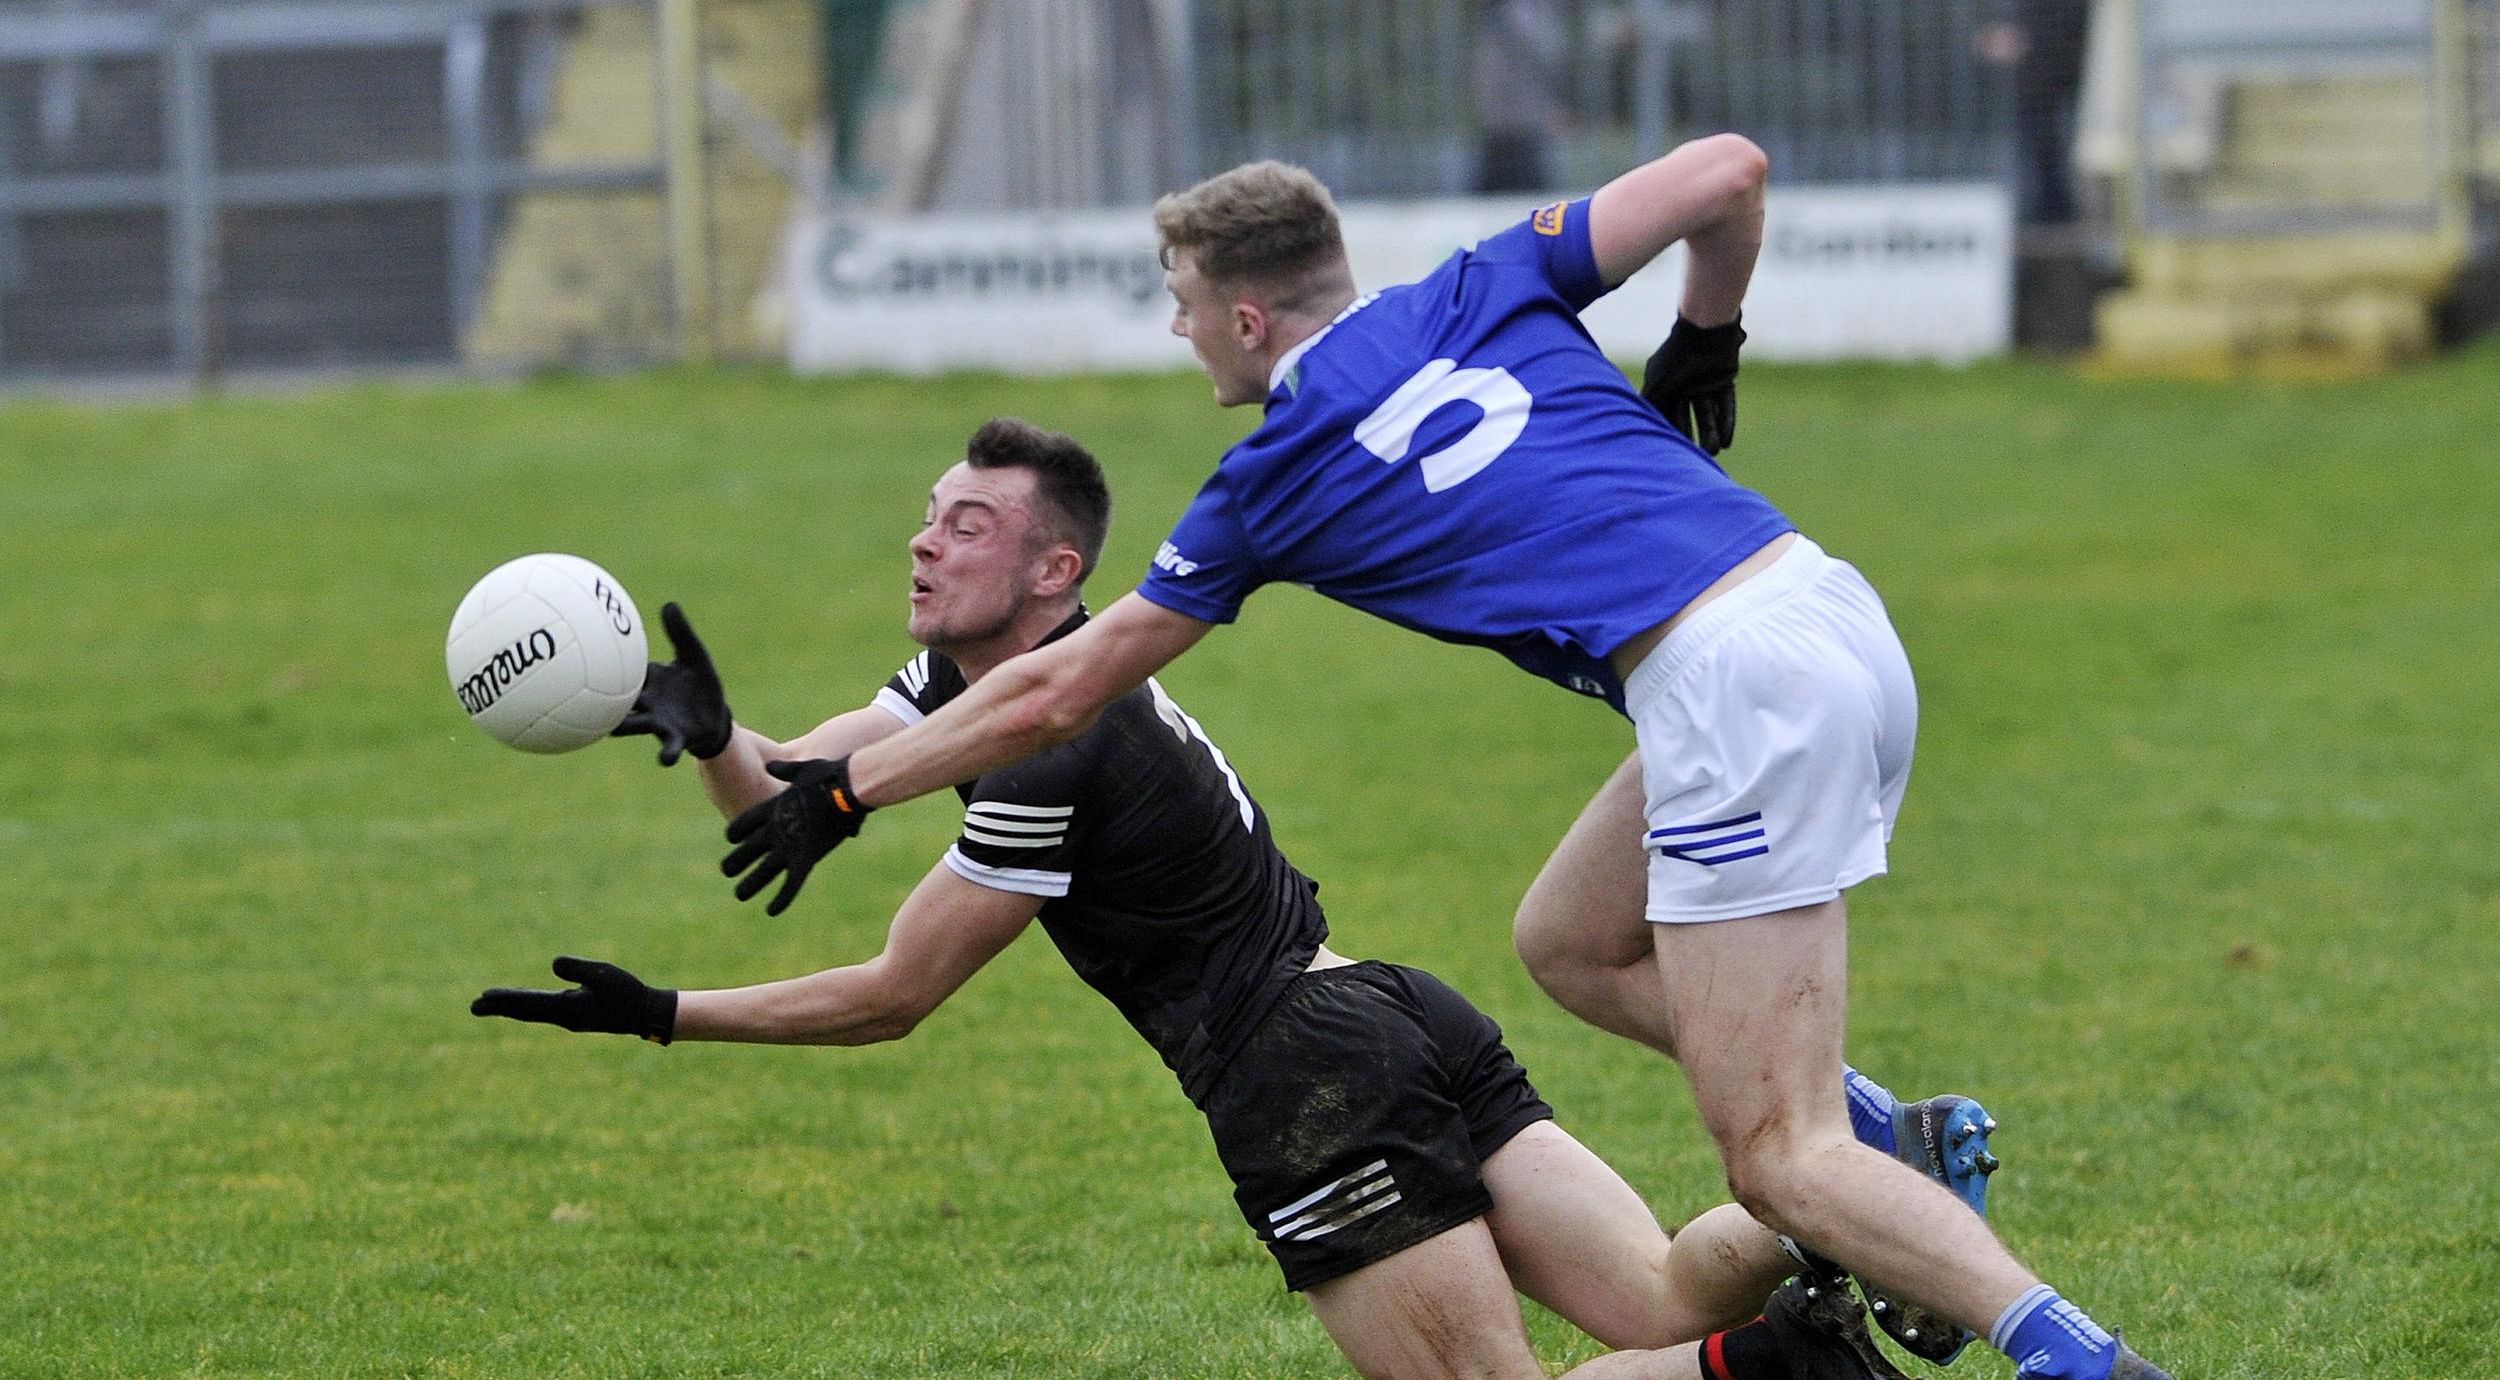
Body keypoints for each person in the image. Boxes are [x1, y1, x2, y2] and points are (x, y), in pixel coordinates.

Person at [708, 145, 2174, 1380]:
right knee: (1569, 942)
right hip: (1821, 607)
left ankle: (2077, 1353)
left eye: (1178, 306)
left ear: (1242, 314)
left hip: (1728, 687)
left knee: (1774, 1160)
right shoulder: (1483, 278)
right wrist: (1708, 337)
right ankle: (1888, 1134)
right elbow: (1731, 173)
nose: (1175, 335)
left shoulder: (1266, 480)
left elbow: (1063, 686)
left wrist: (847, 793)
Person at [475, 418, 1921, 1380]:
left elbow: (892, 996)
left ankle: (1792, 1342)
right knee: (1676, 1301)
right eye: (928, 517)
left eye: (966, 526)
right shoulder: (974, 690)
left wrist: (665, 1017)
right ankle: (1848, 1210)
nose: (923, 542)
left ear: (1057, 572)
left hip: (1301, 1079)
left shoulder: (1055, 743)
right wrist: (709, 735)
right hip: (1394, 1011)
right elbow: (804, 802)